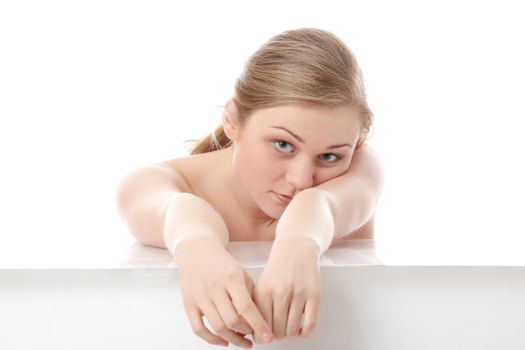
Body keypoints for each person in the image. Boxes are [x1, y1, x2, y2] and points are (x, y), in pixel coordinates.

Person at [115, 27, 384, 348]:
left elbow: (320, 205)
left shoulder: (359, 167)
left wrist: (298, 243)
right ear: (232, 120)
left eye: (329, 156)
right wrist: (196, 247)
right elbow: (176, 209)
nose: (301, 179)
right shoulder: (156, 181)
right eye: (283, 144)